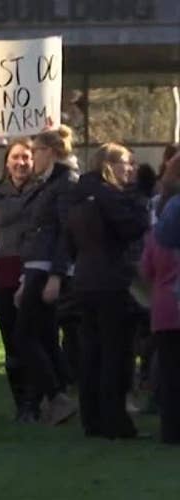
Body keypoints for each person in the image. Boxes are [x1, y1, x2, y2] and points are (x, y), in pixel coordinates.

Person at [64, 142, 150, 439]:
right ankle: (115, 421)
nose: (131, 168)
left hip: (85, 278)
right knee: (116, 354)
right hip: (113, 280)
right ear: (109, 165)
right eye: (126, 162)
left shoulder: (77, 195)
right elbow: (134, 226)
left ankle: (92, 418)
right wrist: (139, 199)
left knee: (91, 352)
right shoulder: (109, 196)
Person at [12, 125, 78, 424]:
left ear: (49, 152)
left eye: (35, 151)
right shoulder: (50, 183)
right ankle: (60, 394)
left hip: (47, 268)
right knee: (43, 335)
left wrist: (57, 275)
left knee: (25, 335)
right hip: (36, 267)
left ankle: (57, 396)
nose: (32, 157)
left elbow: (67, 232)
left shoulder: (65, 184)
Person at [0, 138, 35, 413]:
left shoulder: (42, 190)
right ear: (7, 162)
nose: (21, 163)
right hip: (3, 270)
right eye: (16, 157)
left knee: (32, 336)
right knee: (11, 339)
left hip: (31, 269)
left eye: (26, 157)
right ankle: (22, 403)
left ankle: (39, 397)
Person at [141, 177, 180, 444]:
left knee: (169, 373)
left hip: (165, 309)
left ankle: (170, 431)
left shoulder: (155, 238)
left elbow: (146, 271)